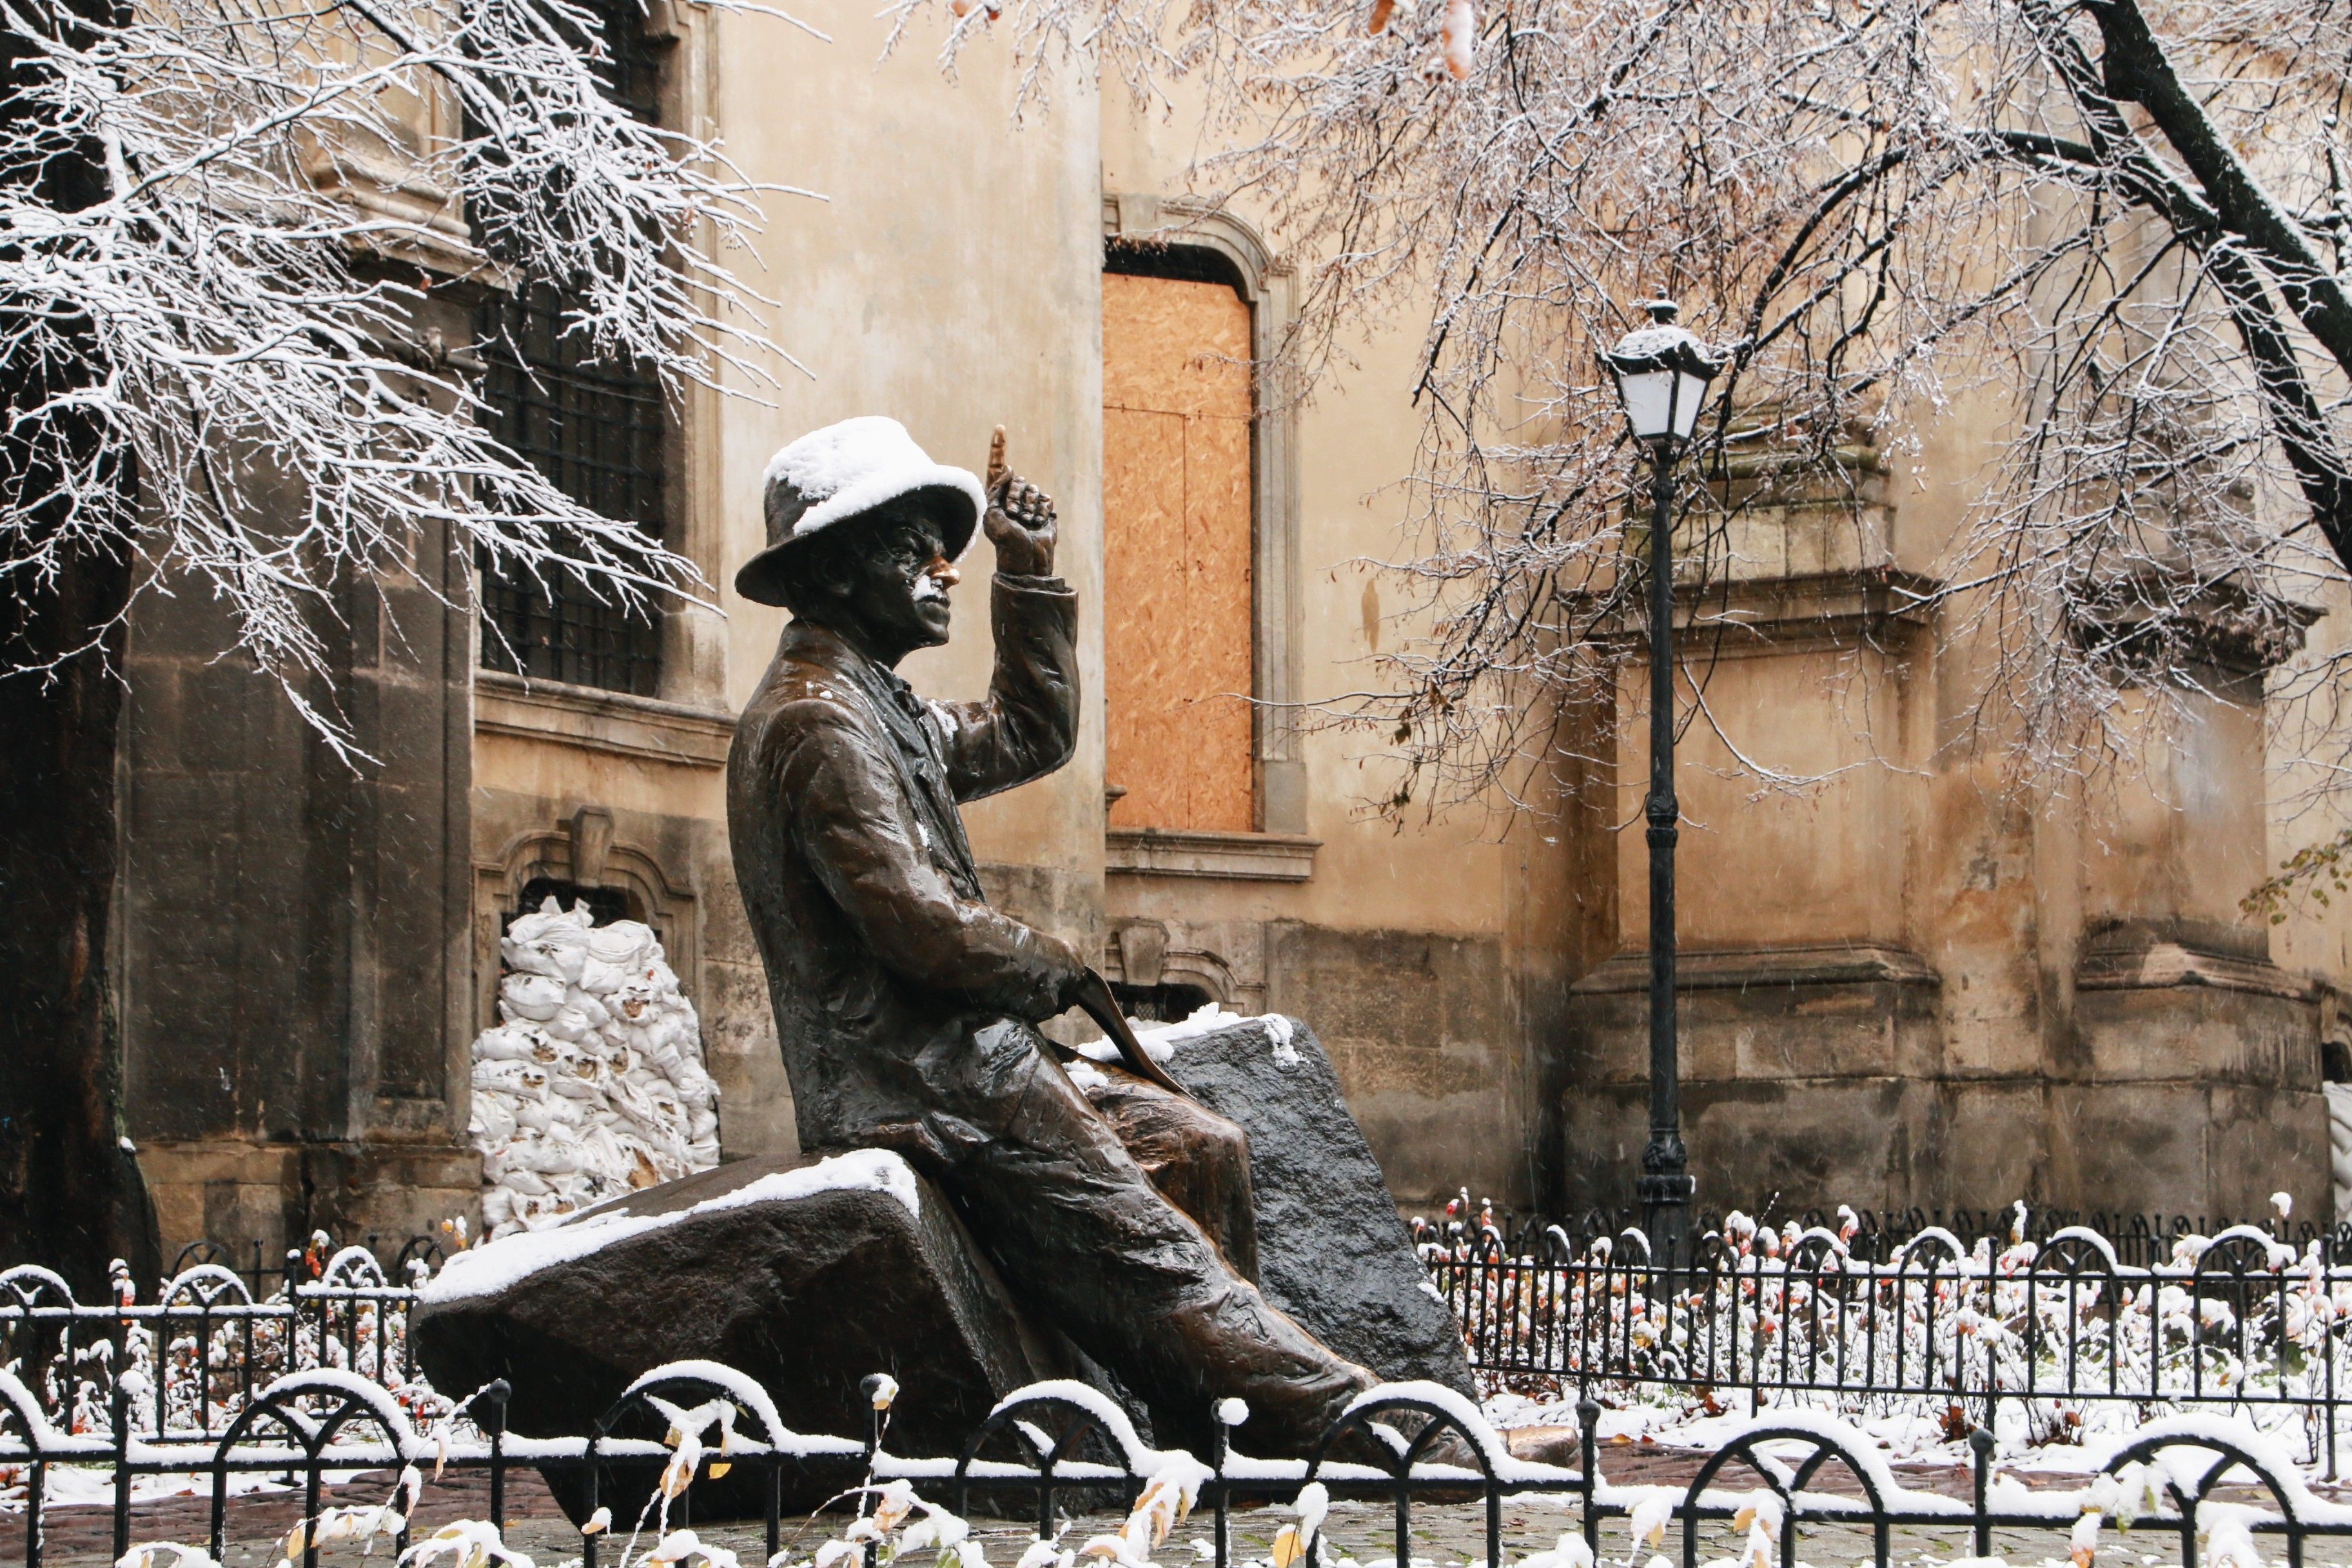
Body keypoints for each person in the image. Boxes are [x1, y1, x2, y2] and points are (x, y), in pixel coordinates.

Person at [726, 416, 1374, 1453]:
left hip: (965, 1059)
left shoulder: (876, 706)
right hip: (915, 1081)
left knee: (1202, 1147)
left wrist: (1026, 581)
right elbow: (914, 923)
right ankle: (1364, 1428)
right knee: (1148, 1247)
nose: (944, 567)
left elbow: (1029, 732)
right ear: (841, 572)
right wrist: (1045, 962)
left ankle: (1208, 1428)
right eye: (913, 548)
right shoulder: (817, 724)